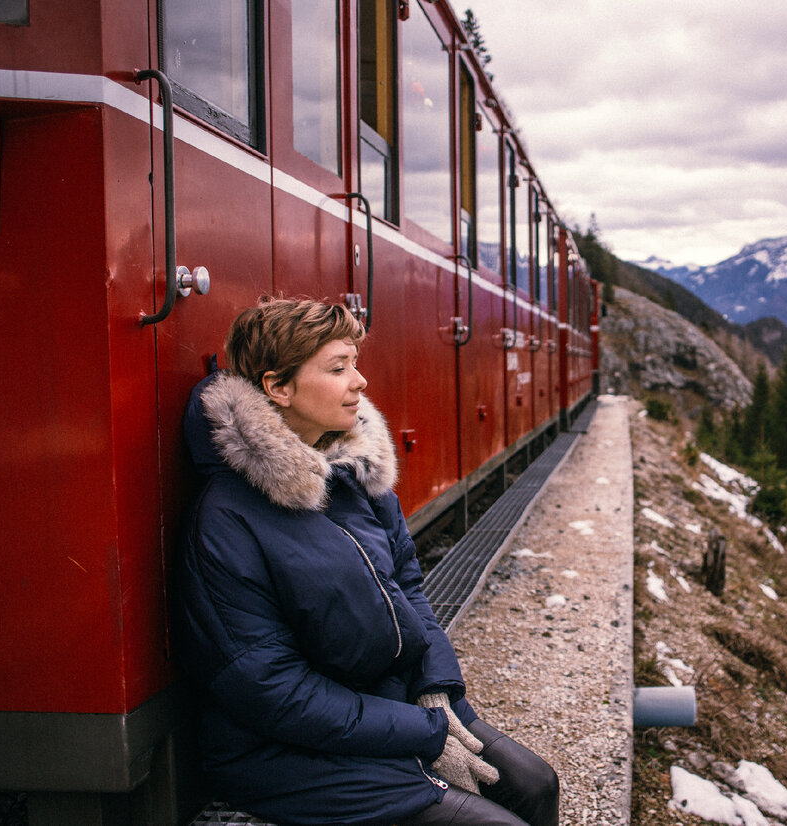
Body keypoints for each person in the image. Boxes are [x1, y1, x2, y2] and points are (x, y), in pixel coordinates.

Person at [174, 298, 559, 826]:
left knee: (537, 785)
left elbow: (410, 590)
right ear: (278, 387)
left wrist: (434, 690)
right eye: (338, 368)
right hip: (285, 751)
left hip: (391, 706)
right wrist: (424, 735)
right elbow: (272, 691)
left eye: (354, 363)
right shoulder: (226, 519)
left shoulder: (354, 478)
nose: (361, 382)